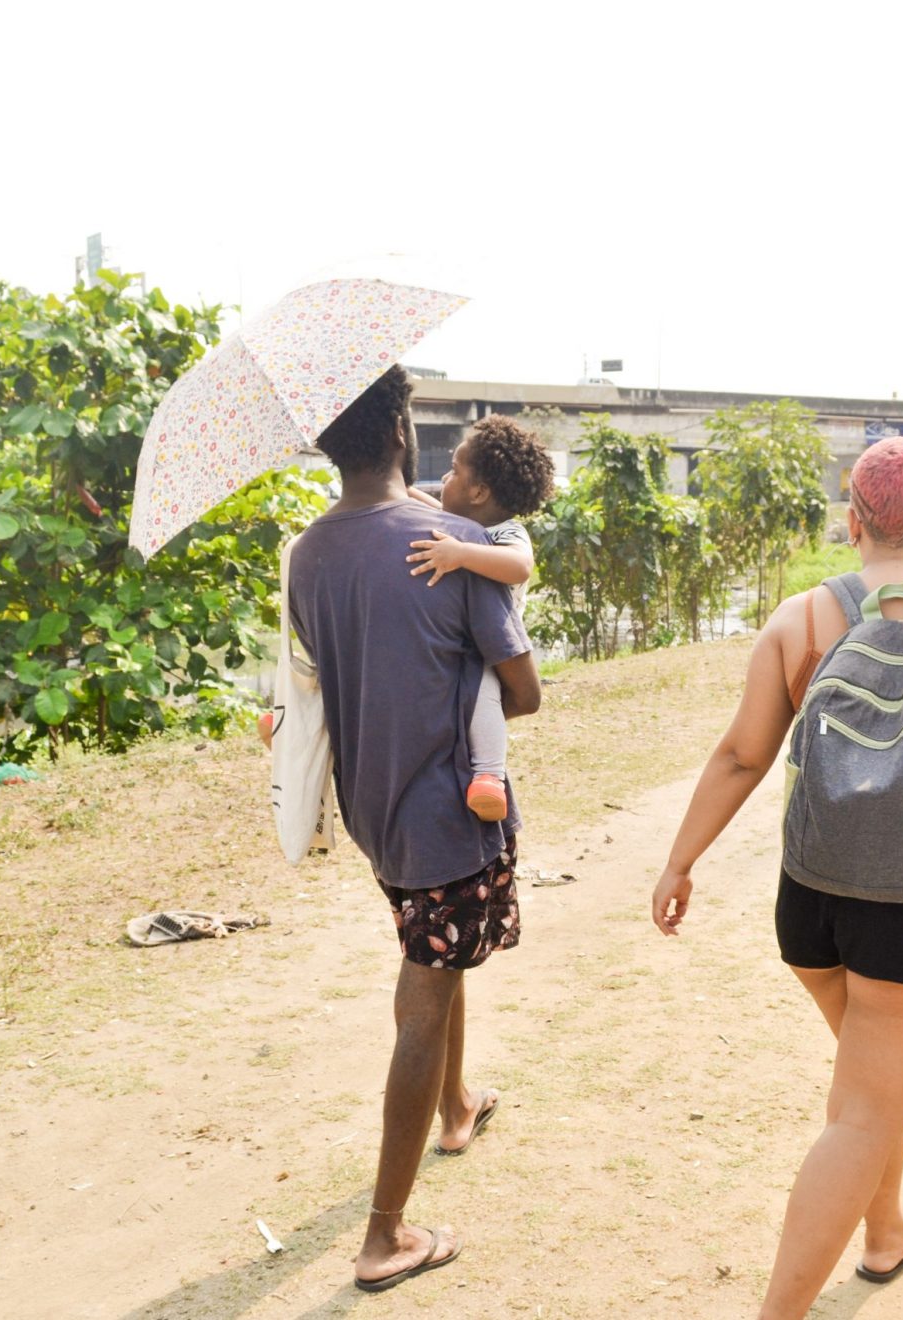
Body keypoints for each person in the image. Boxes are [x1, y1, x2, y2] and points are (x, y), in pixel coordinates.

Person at [649, 437, 903, 1319]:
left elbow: (740, 755)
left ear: (853, 523)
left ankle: (887, 1233)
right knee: (867, 1109)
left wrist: (681, 860)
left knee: (871, 1087)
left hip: (811, 907)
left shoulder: (800, 621)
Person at [286, 364, 542, 1292]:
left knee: (436, 950)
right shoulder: (456, 539)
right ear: (404, 434)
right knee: (423, 998)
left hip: (374, 815)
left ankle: (459, 1105)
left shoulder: (306, 554)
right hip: (448, 814)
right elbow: (525, 692)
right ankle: (384, 1236)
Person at [402, 415, 556, 821]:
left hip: (494, 645)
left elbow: (519, 567)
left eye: (454, 471)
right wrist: (400, 492)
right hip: (461, 635)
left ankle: (488, 776)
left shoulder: (507, 532)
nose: (444, 480)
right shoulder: (464, 522)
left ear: (479, 492)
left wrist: (461, 554)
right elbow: (433, 503)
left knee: (482, 694)